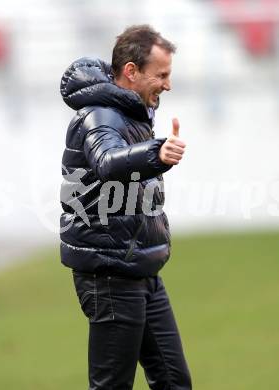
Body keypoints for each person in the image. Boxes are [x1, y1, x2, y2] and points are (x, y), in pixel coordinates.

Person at [60, 24, 192, 390]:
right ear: (131, 72)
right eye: (161, 75)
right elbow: (107, 161)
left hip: (140, 269)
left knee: (174, 381)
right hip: (110, 274)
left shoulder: (130, 113)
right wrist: (157, 153)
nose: (167, 84)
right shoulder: (100, 115)